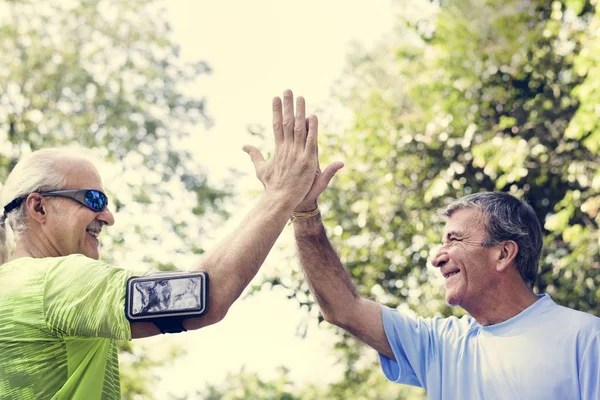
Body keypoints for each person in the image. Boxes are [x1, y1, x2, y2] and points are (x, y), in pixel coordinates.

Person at [0, 89, 319, 399]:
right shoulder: (52, 282)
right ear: (39, 207)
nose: (108, 217)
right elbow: (203, 294)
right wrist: (281, 195)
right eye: (93, 199)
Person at [291, 171, 600, 399]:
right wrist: (304, 213)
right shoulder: (440, 344)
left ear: (503, 253)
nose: (437, 258)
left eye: (454, 239)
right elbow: (343, 309)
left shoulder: (586, 340)